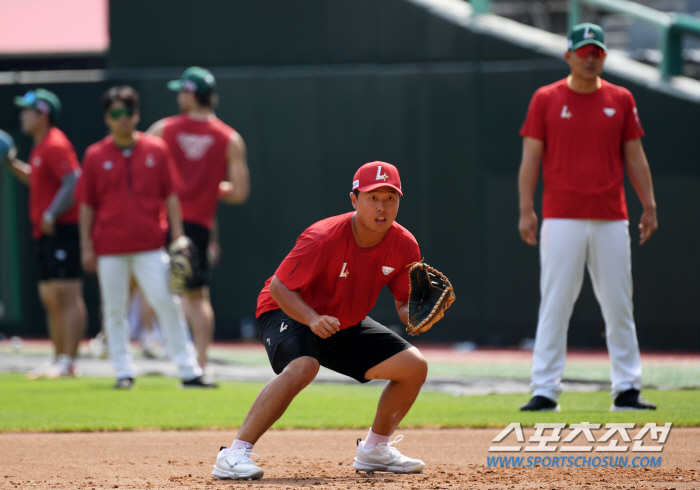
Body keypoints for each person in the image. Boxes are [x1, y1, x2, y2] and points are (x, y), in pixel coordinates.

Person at [211, 161, 428, 481]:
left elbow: (402, 303)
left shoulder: (404, 244)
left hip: (344, 321)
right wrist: (311, 319)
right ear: (354, 200)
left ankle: (375, 450)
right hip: (286, 309)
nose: (382, 207)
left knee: (414, 367)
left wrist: (418, 318)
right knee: (303, 366)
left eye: (390, 198)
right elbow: (279, 287)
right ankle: (234, 454)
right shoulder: (323, 237)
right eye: (372, 198)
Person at [517, 23, 658, 412]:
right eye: (583, 51)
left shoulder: (621, 98)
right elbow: (530, 158)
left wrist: (649, 204)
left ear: (604, 57)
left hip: (612, 216)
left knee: (618, 304)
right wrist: (526, 209)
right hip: (561, 216)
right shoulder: (546, 98)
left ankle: (627, 388)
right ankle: (545, 389)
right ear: (569, 56)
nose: (590, 57)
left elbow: (634, 155)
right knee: (556, 303)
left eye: (596, 51)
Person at [78, 85, 216, 389]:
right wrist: (86, 245)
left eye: (127, 113)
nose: (122, 119)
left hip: (151, 244)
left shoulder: (156, 149)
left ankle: (188, 369)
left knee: (167, 303)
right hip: (110, 246)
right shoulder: (95, 155)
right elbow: (87, 205)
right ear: (107, 118)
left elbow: (171, 196)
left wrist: (178, 238)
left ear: (136, 115)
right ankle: (123, 371)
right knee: (114, 310)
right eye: (115, 114)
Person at [146, 66, 250, 373]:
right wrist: (209, 187)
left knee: (144, 287)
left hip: (161, 221)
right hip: (198, 227)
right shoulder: (230, 138)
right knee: (197, 297)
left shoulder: (163, 129)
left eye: (182, 92)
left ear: (191, 94)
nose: (179, 97)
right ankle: (199, 363)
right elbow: (240, 191)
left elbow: (140, 167)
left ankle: (132, 356)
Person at [6, 89, 87, 378]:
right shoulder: (40, 147)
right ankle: (57, 358)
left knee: (66, 294)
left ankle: (69, 361)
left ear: (42, 114)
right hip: (45, 231)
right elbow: (40, 181)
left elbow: (73, 181)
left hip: (61, 228)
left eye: (27, 111)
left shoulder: (55, 143)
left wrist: (52, 212)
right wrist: (13, 165)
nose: (22, 116)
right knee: (50, 297)